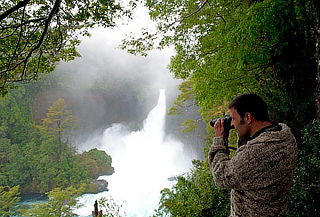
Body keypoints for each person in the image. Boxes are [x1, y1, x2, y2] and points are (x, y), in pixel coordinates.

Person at [208, 93, 298, 217]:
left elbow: (220, 175)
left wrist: (220, 140)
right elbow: (251, 149)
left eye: (233, 118)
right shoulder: (285, 135)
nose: (232, 124)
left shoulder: (254, 155)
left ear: (248, 118)